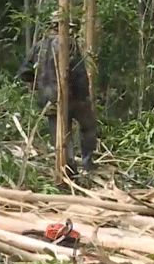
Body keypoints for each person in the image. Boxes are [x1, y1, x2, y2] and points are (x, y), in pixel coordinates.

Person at [16, 10, 97, 177]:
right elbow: (79, 73)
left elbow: (24, 71)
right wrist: (84, 97)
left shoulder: (39, 46)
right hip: (73, 98)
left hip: (48, 100)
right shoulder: (69, 44)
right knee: (88, 127)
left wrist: (35, 86)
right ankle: (87, 163)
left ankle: (68, 170)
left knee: (61, 137)